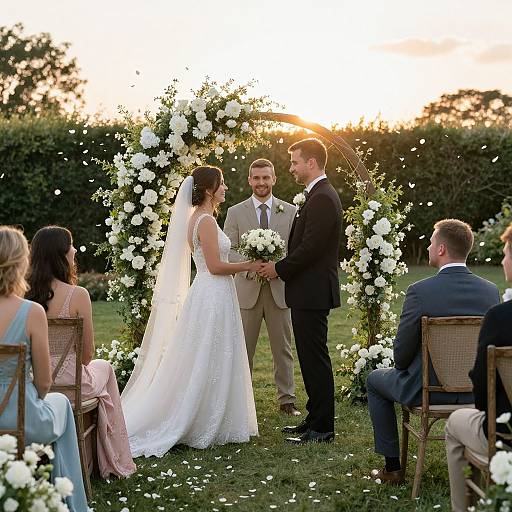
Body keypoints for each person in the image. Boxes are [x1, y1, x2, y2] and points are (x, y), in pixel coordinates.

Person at [122, 166, 261, 457]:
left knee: (209, 353)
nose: (225, 188)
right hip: (212, 292)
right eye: (221, 184)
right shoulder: (206, 221)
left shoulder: (197, 218)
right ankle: (201, 418)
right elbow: (215, 266)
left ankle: (215, 412)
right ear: (210, 189)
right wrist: (248, 265)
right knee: (209, 353)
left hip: (211, 292)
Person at [366, 219, 500, 484]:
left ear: (441, 249)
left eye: (429, 242)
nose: (427, 247)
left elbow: (401, 358)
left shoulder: (420, 292)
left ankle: (392, 469)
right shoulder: (490, 291)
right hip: (476, 393)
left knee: (373, 380)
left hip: (427, 391)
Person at [27, 226, 136, 479]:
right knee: (105, 368)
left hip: (34, 384)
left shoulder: (24, 296)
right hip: (71, 384)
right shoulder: (78, 295)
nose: (75, 250)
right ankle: (109, 459)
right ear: (61, 254)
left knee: (100, 372)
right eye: (72, 245)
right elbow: (87, 356)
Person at [259, 138, 343, 444]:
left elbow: (310, 248)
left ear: (311, 163)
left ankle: (323, 428)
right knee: (309, 358)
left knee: (315, 359)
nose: (291, 167)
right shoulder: (317, 194)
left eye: (295, 161)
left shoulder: (321, 198)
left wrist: (278, 268)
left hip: (313, 291)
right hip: (308, 291)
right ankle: (314, 418)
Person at [0, 226, 89, 512]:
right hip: (22, 418)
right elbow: (44, 383)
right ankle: (70, 502)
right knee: (60, 403)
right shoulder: (30, 312)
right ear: (21, 262)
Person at [224, 158, 299, 416]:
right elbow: (228, 250)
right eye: (256, 178)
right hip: (247, 290)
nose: (261, 183)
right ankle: (240, 402)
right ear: (249, 181)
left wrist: (275, 267)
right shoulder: (235, 212)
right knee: (243, 350)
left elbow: (295, 250)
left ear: (274, 179)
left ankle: (287, 400)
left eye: (266, 177)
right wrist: (250, 264)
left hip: (280, 289)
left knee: (283, 349)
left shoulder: (290, 212)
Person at [445, 222, 512, 512]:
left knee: (454, 423)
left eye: (507, 253)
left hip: (506, 435)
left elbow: (484, 392)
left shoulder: (500, 318)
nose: (502, 260)